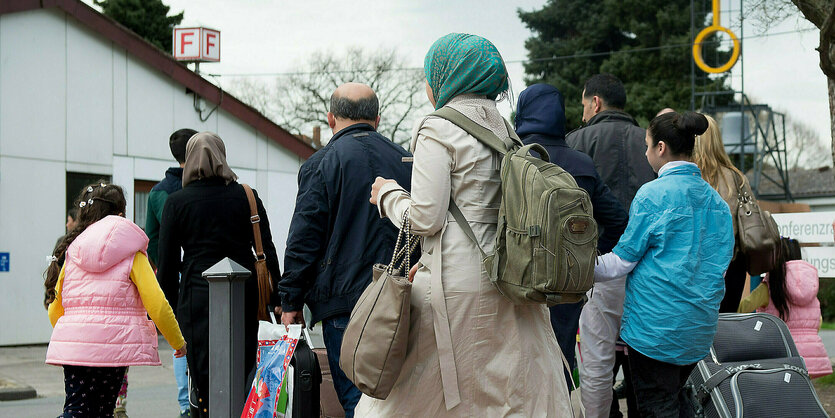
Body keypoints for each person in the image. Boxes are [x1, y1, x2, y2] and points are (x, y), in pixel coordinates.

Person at [362, 33, 573, 416]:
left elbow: (426, 218)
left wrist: (388, 195)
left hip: (453, 287)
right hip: (508, 279)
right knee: (501, 397)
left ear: (446, 75)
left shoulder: (437, 127)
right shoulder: (504, 127)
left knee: (419, 399)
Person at [278, 82, 412, 417]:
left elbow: (304, 238)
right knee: (403, 399)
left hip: (344, 303)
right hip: (406, 299)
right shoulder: (407, 161)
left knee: (357, 400)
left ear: (331, 119)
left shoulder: (321, 164)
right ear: (377, 119)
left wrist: (290, 300)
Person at [594, 111, 734, 416]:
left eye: (646, 146)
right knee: (676, 398)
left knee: (657, 406)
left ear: (660, 148)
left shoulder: (652, 194)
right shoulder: (718, 204)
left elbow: (620, 262)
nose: (645, 153)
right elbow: (720, 266)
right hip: (698, 329)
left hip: (655, 330)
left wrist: (579, 267)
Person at [156, 132, 282, 418]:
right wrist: (279, 297)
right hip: (245, 296)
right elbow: (267, 250)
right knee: (244, 368)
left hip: (196, 299)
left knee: (203, 377)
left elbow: (166, 266)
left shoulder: (176, 202)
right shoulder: (246, 196)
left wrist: (170, 316)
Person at [514, 83, 628, 394]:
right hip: (565, 283)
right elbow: (618, 220)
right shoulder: (582, 164)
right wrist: (586, 259)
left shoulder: (512, 160)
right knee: (560, 365)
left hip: (517, 282)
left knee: (517, 369)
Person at [44, 182, 186, 418]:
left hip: (75, 349)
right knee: (101, 411)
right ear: (120, 215)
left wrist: (73, 336)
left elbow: (55, 310)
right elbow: (157, 304)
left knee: (77, 409)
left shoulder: (73, 252)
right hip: (113, 350)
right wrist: (177, 341)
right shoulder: (133, 253)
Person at [567, 74, 655, 418]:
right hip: (649, 269)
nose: (582, 111)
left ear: (595, 102)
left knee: (597, 362)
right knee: (647, 358)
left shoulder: (575, 142)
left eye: (583, 104)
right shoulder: (650, 142)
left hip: (601, 266)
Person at [146, 128, 197, 418]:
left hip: (174, 273)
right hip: (206, 272)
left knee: (181, 341)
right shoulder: (200, 186)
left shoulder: (157, 192)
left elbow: (151, 237)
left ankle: (184, 404)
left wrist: (165, 266)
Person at [738, 238, 833, 378]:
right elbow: (818, 321)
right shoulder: (811, 287)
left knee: (780, 396)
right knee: (800, 394)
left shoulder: (769, 287)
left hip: (781, 354)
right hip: (811, 358)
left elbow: (741, 309)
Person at [692, 115, 749, 313]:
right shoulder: (736, 177)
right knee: (726, 328)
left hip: (696, 264)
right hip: (732, 263)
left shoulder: (688, 176)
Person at [45, 207, 79, 309]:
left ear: (76, 221)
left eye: (69, 221)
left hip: (63, 296)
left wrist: (48, 296)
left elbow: (54, 270)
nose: (67, 224)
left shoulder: (62, 242)